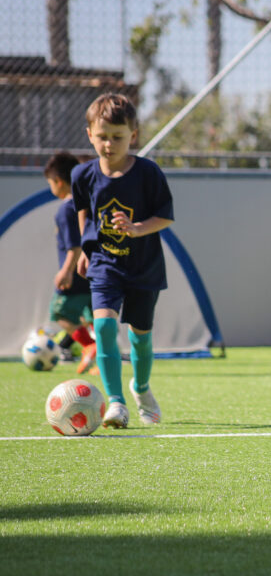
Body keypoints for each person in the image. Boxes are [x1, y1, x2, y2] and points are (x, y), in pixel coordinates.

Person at [71, 93, 174, 429]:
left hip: (144, 266)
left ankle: (140, 388)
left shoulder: (148, 173)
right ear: (90, 134)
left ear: (133, 134)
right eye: (102, 137)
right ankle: (116, 403)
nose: (109, 144)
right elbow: (83, 210)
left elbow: (165, 217)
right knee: (102, 326)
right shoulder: (82, 175)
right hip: (105, 264)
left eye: (118, 137)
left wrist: (136, 228)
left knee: (141, 337)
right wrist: (87, 248)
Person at [42, 152, 98, 374]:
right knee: (95, 317)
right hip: (94, 272)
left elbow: (74, 246)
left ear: (58, 182)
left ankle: (88, 346)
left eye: (50, 183)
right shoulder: (88, 203)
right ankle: (101, 359)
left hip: (76, 274)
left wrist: (66, 271)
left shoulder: (67, 208)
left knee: (60, 313)